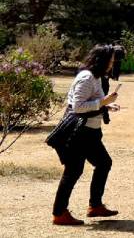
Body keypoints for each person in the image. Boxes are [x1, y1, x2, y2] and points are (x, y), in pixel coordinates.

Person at [51, 45, 121, 226]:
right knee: (73, 170)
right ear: (102, 60)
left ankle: (95, 205)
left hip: (91, 131)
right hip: (79, 133)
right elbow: (78, 107)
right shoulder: (86, 77)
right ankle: (59, 213)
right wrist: (104, 101)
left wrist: (106, 106)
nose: (112, 63)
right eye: (111, 60)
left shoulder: (96, 77)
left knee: (104, 163)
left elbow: (92, 102)